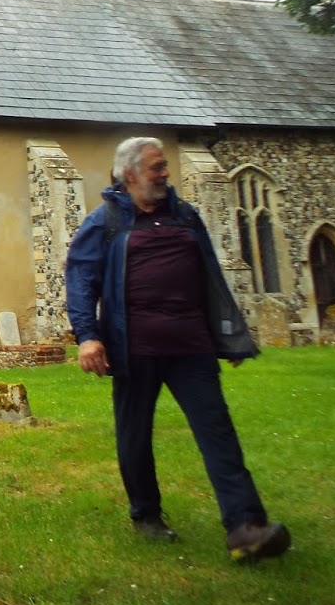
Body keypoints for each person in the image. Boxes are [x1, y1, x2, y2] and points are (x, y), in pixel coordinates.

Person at [65, 139, 291, 562]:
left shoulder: (186, 216)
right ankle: (146, 514)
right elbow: (81, 280)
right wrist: (87, 336)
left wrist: (230, 335)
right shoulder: (106, 221)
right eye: (156, 167)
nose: (165, 173)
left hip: (192, 347)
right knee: (135, 436)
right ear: (129, 174)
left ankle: (246, 526)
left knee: (218, 433)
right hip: (134, 349)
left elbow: (210, 275)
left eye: (165, 166)